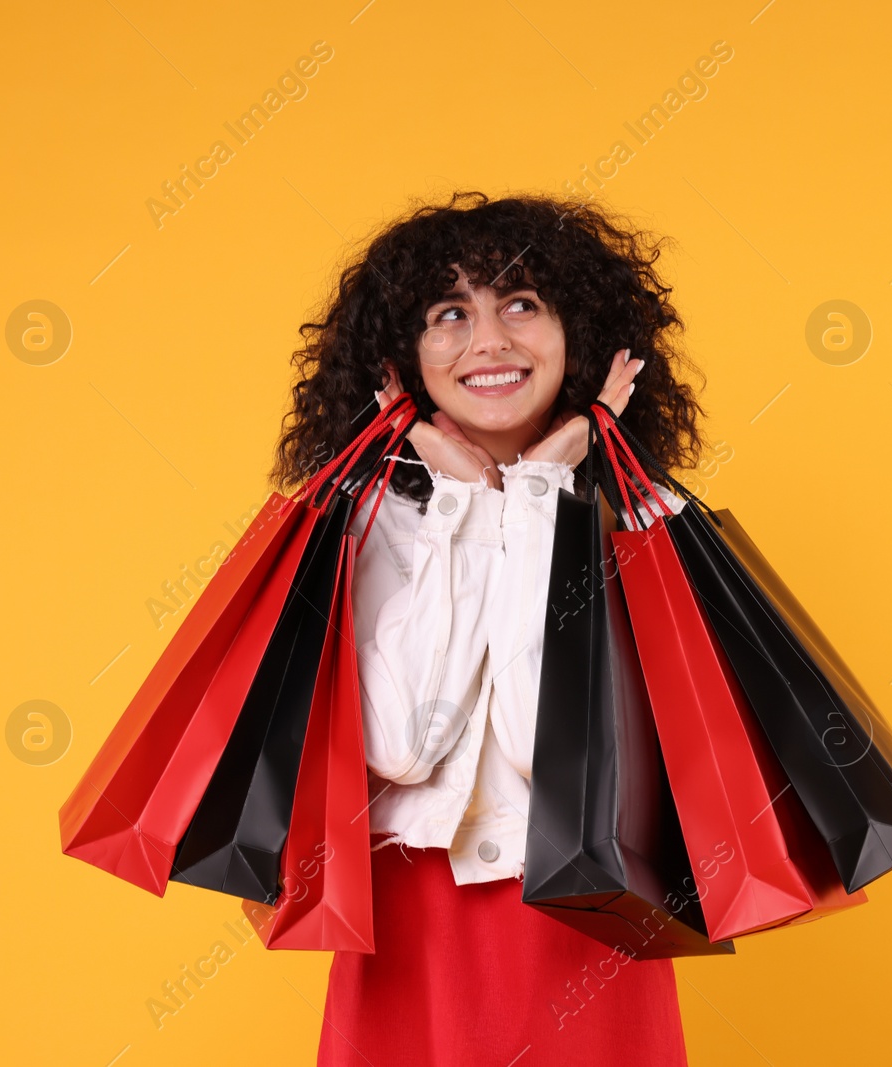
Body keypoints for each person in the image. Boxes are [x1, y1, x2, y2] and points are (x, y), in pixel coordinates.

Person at [268, 191, 708, 1066]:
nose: (490, 342)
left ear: (579, 334)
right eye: (449, 313)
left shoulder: (646, 521)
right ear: (402, 359)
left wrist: (541, 498)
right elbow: (400, 745)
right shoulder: (361, 523)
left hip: (584, 915)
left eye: (520, 304)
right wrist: (466, 508)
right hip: (410, 917)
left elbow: (551, 747)